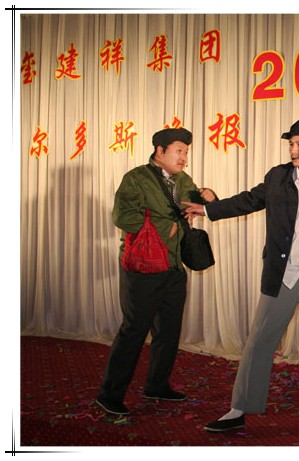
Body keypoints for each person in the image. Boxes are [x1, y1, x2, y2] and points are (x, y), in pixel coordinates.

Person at [182, 119, 299, 432]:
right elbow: (247, 200)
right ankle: (237, 409)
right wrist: (208, 210)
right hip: (283, 274)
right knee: (259, 343)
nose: (293, 150)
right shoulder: (278, 176)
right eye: (291, 144)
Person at [95, 128, 217, 415]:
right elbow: (123, 216)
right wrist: (165, 227)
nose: (184, 157)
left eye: (186, 152)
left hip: (173, 266)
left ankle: (157, 385)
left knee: (169, 330)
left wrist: (210, 197)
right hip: (143, 266)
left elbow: (194, 204)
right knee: (134, 330)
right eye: (179, 151)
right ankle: (109, 394)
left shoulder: (183, 179)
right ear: (160, 152)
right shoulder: (136, 178)